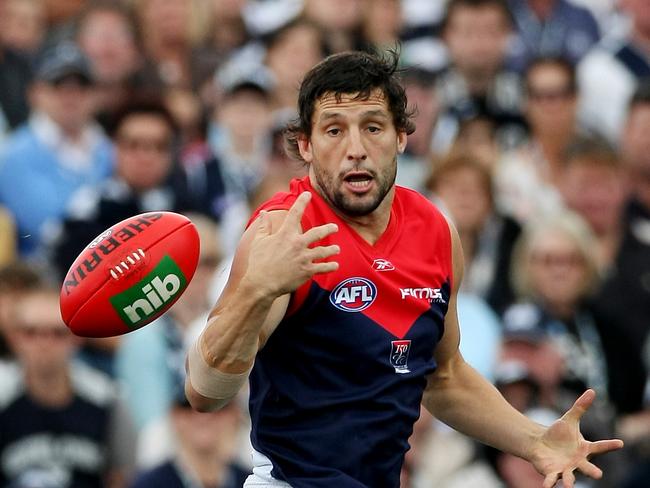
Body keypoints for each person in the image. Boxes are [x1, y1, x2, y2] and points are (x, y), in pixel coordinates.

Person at [184, 50, 623, 488]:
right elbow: (205, 392)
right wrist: (254, 291)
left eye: (372, 127)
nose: (355, 149)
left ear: (400, 137)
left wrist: (536, 441)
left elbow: (444, 376)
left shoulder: (435, 231)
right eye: (334, 130)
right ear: (305, 145)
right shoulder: (283, 230)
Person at [0, 281, 136, 488]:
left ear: (76, 337)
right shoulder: (3, 399)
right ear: (13, 336)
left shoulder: (106, 399)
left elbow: (122, 477)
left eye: (57, 333)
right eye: (31, 332)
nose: (44, 343)